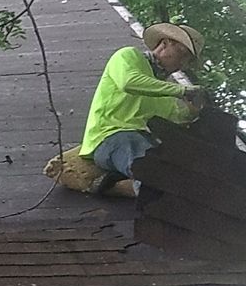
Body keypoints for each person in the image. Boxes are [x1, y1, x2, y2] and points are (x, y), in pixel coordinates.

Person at [79, 22, 205, 197]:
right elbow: (129, 82)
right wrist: (181, 90)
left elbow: (175, 119)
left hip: (143, 142)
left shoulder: (164, 89)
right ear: (165, 43)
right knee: (152, 170)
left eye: (188, 61)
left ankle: (116, 186)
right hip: (112, 136)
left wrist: (192, 111)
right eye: (182, 55)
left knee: (173, 172)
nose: (183, 65)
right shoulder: (128, 56)